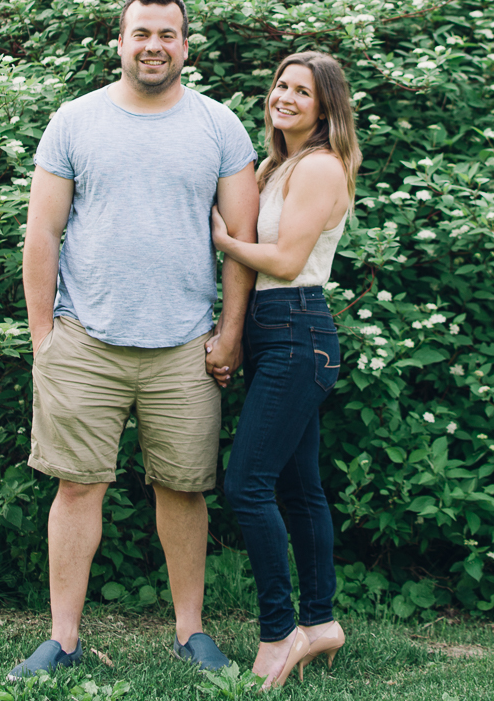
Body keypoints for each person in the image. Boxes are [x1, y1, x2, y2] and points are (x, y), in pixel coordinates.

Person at [12, 0, 261, 680]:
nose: (154, 46)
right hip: (84, 339)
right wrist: (43, 336)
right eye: (142, 34)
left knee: (183, 490)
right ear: (120, 42)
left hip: (184, 344)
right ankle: (62, 639)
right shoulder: (75, 120)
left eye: (168, 35)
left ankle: (191, 631)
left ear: (185, 46)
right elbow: (43, 231)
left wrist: (230, 332)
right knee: (76, 489)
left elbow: (241, 239)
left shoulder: (218, 126)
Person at [211, 50, 360, 690]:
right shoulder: (276, 166)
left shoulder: (322, 167)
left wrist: (220, 238)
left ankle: (280, 632)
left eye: (303, 90)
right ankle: (321, 621)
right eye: (280, 84)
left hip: (299, 328)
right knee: (300, 489)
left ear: (326, 107)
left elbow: (286, 256)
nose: (286, 96)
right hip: (279, 331)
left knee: (246, 484)